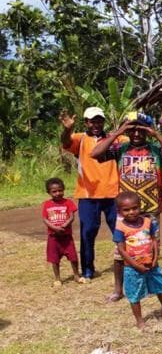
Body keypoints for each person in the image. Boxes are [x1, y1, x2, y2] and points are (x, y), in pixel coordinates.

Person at [91, 112, 162, 302]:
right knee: (120, 251)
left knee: (150, 248)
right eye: (133, 129)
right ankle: (118, 290)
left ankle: (151, 285)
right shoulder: (120, 149)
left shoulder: (157, 150)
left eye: (141, 129)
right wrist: (117, 133)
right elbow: (95, 154)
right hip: (125, 211)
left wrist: (156, 134)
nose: (137, 133)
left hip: (150, 208)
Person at [60, 107, 121, 281]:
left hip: (113, 193)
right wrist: (67, 129)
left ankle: (127, 263)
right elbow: (65, 142)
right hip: (88, 195)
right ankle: (88, 269)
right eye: (92, 121)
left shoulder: (113, 139)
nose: (96, 124)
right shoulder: (80, 139)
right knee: (87, 233)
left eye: (99, 120)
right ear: (86, 122)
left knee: (120, 232)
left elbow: (131, 138)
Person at [113, 191, 162, 329]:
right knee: (134, 294)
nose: (131, 212)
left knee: (160, 287)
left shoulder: (148, 222)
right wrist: (135, 265)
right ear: (119, 212)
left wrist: (156, 258)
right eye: (126, 210)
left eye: (134, 208)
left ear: (140, 206)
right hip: (132, 268)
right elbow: (121, 250)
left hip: (152, 265)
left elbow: (154, 240)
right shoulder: (120, 228)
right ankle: (139, 320)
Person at [42, 177, 82, 287]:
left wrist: (65, 224)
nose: (58, 193)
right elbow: (45, 219)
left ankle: (76, 275)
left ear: (63, 189)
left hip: (66, 237)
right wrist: (54, 227)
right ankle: (57, 278)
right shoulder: (46, 204)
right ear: (49, 192)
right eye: (54, 191)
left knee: (73, 257)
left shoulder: (68, 202)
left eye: (60, 190)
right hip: (53, 237)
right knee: (54, 259)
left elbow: (72, 216)